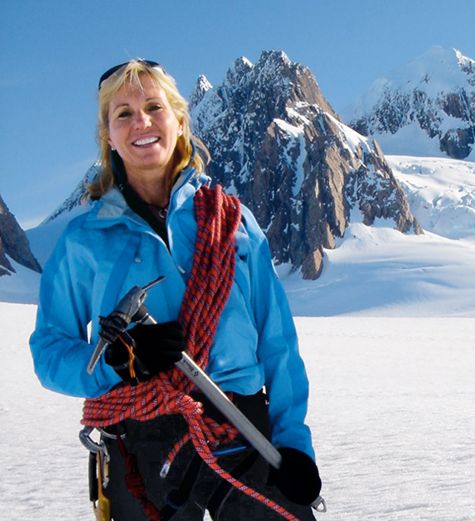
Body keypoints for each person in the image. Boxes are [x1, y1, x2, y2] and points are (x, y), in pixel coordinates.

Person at [29, 59, 321, 521]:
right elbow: (48, 353)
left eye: (153, 107)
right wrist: (116, 361)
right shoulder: (83, 240)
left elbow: (278, 342)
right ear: (108, 135)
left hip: (242, 427)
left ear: (180, 121)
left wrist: (293, 444)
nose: (140, 122)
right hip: (140, 439)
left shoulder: (233, 222)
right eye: (122, 113)